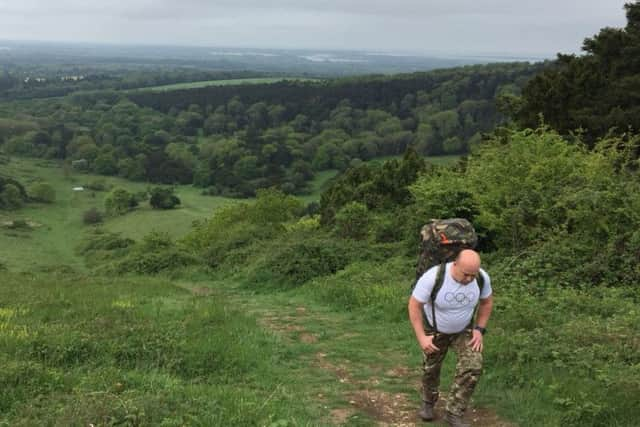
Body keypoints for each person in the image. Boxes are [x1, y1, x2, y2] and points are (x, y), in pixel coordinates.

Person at [408, 249, 494, 427]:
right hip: (435, 331)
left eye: (473, 274)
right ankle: (428, 402)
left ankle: (454, 412)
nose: (469, 279)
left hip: (464, 331)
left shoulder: (481, 278)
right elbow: (414, 306)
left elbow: (486, 302)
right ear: (455, 264)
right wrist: (422, 338)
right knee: (431, 368)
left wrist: (479, 329)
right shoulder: (433, 278)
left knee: (473, 365)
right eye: (466, 274)